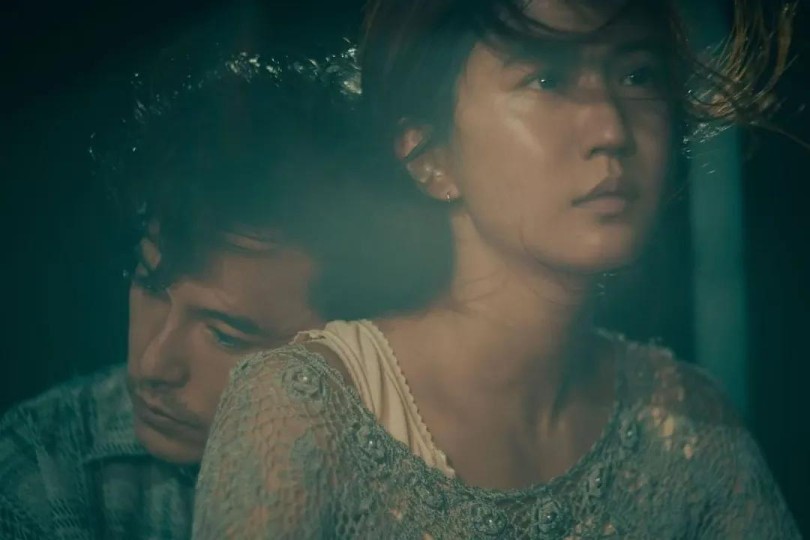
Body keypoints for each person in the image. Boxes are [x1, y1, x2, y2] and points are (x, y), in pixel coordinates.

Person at [192, 0, 801, 538]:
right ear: (430, 156)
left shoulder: (688, 423)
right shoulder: (304, 407)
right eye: (547, 79)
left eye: (638, 74)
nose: (612, 130)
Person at [0, 34, 362, 539]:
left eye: (225, 335)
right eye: (150, 285)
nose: (153, 366)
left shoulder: (426, 474)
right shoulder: (45, 465)